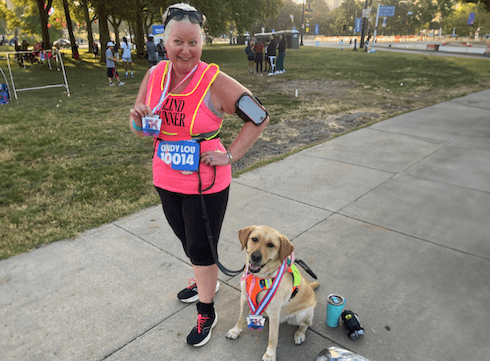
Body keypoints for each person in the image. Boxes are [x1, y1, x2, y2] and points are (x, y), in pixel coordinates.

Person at [129, 2, 269, 348]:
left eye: (193, 42)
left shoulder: (215, 81)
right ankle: (205, 280)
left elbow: (259, 117)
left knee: (201, 248)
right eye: (178, 41)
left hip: (205, 183)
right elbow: (139, 128)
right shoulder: (155, 76)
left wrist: (230, 155)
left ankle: (207, 309)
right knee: (187, 242)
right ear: (165, 40)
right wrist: (138, 118)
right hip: (165, 176)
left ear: (202, 42)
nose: (186, 50)